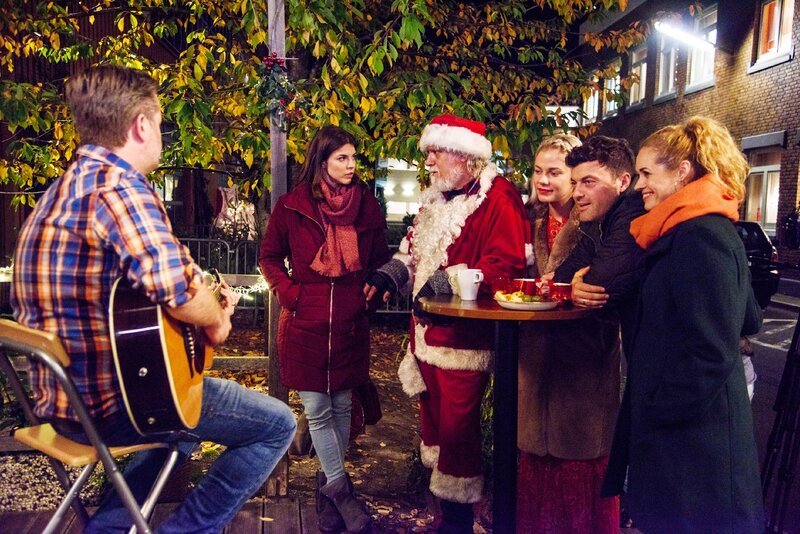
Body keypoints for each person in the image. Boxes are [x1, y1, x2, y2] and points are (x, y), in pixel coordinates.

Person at [10, 65, 297, 533]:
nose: (161, 129)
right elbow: (181, 294)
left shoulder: (61, 190)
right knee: (277, 424)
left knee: (178, 426)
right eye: (160, 118)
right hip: (109, 407)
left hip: (60, 405)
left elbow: (137, 297)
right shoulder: (120, 190)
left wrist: (194, 307)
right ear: (142, 125)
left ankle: (108, 527)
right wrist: (216, 320)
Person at [366, 114, 529, 533]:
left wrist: (441, 284)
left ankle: (456, 523)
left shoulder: (499, 198)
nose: (430, 162)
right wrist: (389, 277)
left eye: (436, 152)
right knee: (435, 429)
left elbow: (503, 265)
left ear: (463, 155)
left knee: (458, 436)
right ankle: (444, 513)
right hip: (424, 337)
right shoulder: (436, 198)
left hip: (463, 341)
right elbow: (412, 251)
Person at [601, 116, 764, 532]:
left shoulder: (699, 236)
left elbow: (710, 351)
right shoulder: (700, 227)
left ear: (683, 172)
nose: (640, 186)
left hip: (693, 448)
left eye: (646, 173)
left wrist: (655, 408)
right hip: (691, 441)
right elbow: (747, 316)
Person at [259, 125, 391, 534]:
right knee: (317, 410)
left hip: (350, 325)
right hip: (304, 323)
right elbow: (269, 257)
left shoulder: (367, 207)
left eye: (354, 158)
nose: (351, 166)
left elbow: (381, 261)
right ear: (322, 161)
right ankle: (343, 492)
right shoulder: (292, 206)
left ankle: (328, 501)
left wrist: (375, 288)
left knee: (342, 412)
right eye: (342, 158)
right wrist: (289, 293)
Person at [516, 134, 625, 533]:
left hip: (584, 353)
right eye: (538, 171)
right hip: (534, 351)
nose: (544, 180)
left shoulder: (594, 218)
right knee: (537, 455)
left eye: (555, 172)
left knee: (579, 455)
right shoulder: (530, 218)